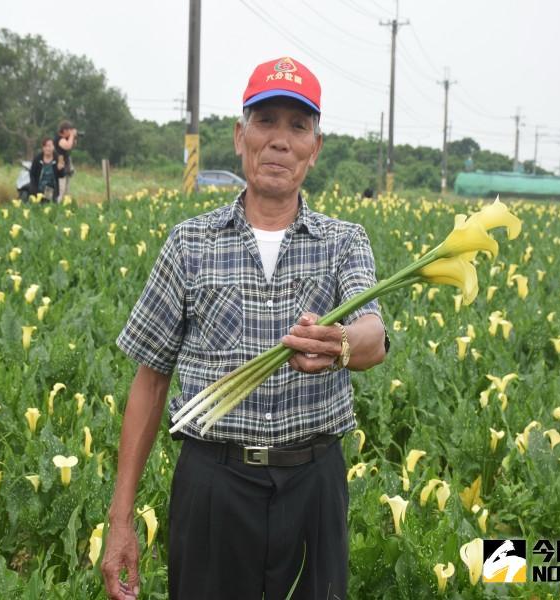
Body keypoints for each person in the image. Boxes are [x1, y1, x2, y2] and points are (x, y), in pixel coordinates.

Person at [102, 56, 389, 600]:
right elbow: (150, 381)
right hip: (213, 485)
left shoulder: (343, 241)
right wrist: (120, 520)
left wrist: (344, 344)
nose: (280, 141)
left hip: (314, 483)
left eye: (298, 126)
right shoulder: (190, 243)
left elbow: (372, 332)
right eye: (265, 121)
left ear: (315, 148)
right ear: (240, 136)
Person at [28, 138, 64, 203]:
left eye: (50, 146)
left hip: (50, 189)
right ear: (43, 148)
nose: (48, 148)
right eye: (45, 146)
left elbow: (61, 175)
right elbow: (32, 174)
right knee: (37, 208)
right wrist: (33, 189)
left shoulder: (57, 158)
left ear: (53, 147)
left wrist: (60, 169)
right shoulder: (38, 158)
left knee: (48, 207)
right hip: (38, 188)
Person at [54, 120, 77, 201]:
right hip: (60, 168)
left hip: (66, 167)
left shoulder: (65, 138)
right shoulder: (59, 138)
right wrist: (71, 136)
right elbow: (67, 146)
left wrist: (73, 137)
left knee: (67, 191)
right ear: (64, 130)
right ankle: (58, 207)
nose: (70, 132)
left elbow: (72, 145)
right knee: (61, 190)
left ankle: (65, 207)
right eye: (69, 130)